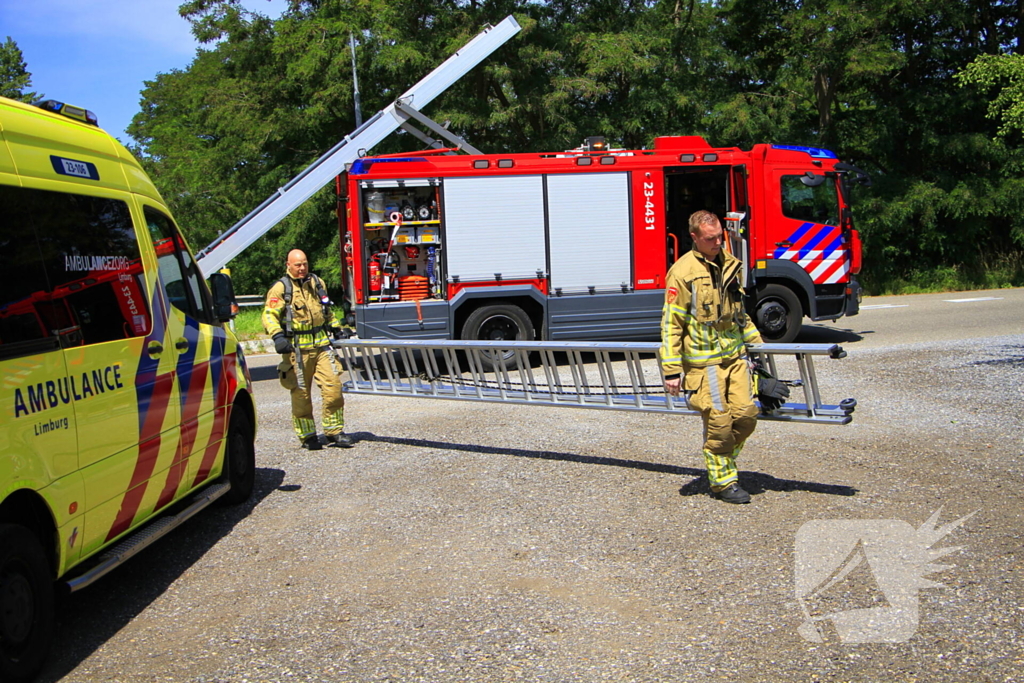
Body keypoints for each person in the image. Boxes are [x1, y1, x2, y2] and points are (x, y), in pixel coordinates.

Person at [660, 210, 763, 503]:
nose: (718, 242)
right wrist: (671, 370)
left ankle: (723, 460)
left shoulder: (731, 264)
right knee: (719, 422)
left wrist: (758, 343)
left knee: (746, 416)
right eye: (711, 239)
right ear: (694, 238)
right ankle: (723, 482)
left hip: (735, 359)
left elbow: (739, 312)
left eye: (720, 236)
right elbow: (671, 325)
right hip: (705, 366)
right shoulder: (681, 273)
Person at [263, 249, 354, 450]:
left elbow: (326, 310)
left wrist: (337, 328)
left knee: (334, 389)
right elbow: (269, 315)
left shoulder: (317, 283)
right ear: (288, 265)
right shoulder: (281, 288)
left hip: (322, 347)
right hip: (296, 351)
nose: (302, 268)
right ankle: (308, 436)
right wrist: (277, 336)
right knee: (301, 396)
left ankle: (334, 431)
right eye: (297, 265)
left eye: (304, 263)